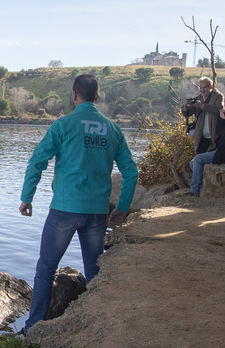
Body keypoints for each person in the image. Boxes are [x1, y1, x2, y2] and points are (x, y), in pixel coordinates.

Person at [19, 74, 137, 332]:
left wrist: (27, 197)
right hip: (96, 212)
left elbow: (37, 161)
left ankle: (33, 327)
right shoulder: (112, 128)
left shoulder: (63, 125)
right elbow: (131, 172)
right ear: (97, 96)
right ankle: (95, 324)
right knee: (94, 271)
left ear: (74, 95)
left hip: (64, 209)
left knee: (46, 268)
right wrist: (123, 206)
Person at [183, 76, 223, 154]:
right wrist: (185, 107)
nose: (202, 90)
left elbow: (218, 109)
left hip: (214, 132)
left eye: (205, 87)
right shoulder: (198, 98)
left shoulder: (218, 97)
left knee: (214, 156)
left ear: (211, 87)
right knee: (199, 155)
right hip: (202, 134)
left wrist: (203, 106)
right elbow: (188, 113)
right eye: (200, 88)